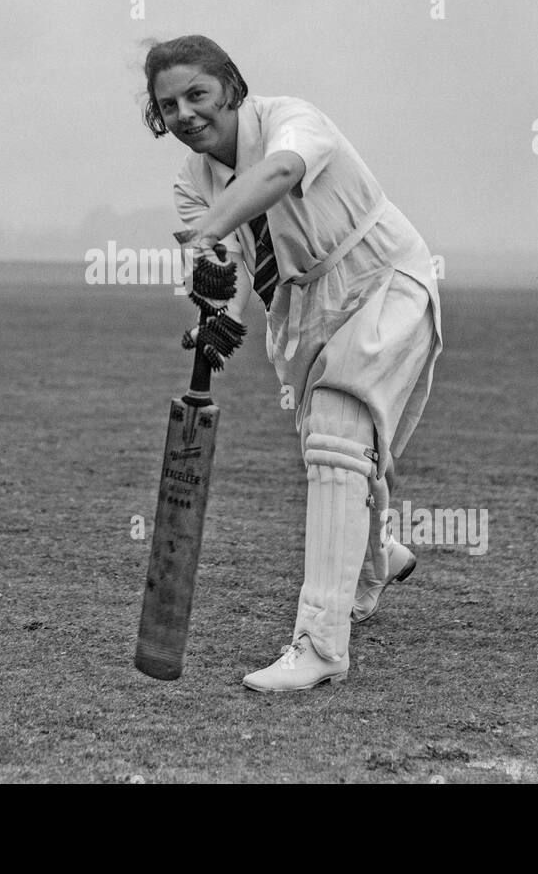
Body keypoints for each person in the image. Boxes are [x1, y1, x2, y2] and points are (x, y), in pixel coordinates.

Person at [142, 34, 443, 692]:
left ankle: (320, 646)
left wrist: (206, 233)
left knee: (337, 440)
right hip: (302, 309)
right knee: (331, 447)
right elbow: (231, 274)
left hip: (378, 277)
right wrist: (216, 317)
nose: (187, 113)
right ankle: (373, 559)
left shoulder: (292, 121)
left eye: (198, 93)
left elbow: (275, 176)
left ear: (229, 84)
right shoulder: (191, 181)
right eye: (169, 105)